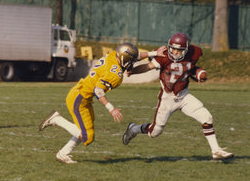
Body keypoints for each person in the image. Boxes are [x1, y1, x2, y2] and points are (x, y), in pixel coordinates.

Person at [39, 42, 167, 164]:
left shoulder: (113, 55)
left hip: (82, 95)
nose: (133, 63)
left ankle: (63, 154)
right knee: (87, 136)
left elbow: (135, 55)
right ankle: (56, 120)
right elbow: (98, 91)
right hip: (79, 99)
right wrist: (111, 108)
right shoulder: (115, 74)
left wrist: (154, 54)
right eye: (131, 61)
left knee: (86, 131)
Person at [122, 32, 234, 160]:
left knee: (207, 117)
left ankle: (216, 150)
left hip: (184, 96)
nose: (175, 53)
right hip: (167, 98)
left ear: (186, 49)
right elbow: (149, 66)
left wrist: (198, 73)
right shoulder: (163, 54)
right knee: (155, 132)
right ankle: (134, 129)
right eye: (173, 49)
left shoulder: (194, 52)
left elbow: (190, 68)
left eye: (179, 50)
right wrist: (133, 71)